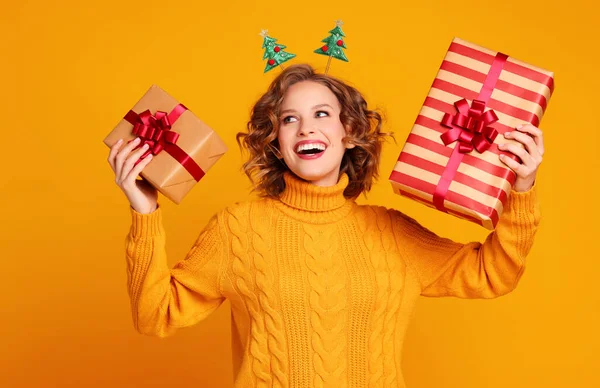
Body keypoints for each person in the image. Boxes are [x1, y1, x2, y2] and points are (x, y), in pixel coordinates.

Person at [107, 64, 543, 387]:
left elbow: (493, 273)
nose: (304, 129)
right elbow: (155, 315)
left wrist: (520, 186)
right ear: (275, 143)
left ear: (349, 132)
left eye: (321, 114)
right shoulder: (237, 229)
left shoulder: (391, 232)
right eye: (289, 119)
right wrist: (145, 212)